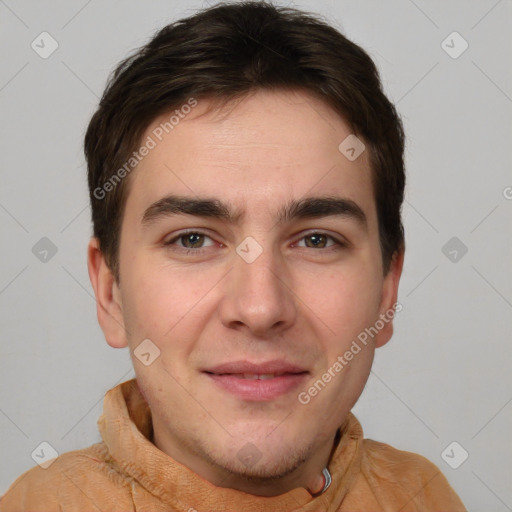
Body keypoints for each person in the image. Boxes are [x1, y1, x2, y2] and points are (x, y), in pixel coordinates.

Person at [0, 1, 467, 510]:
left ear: (386, 290)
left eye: (317, 240)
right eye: (193, 240)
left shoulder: (425, 497)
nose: (260, 308)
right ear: (110, 293)